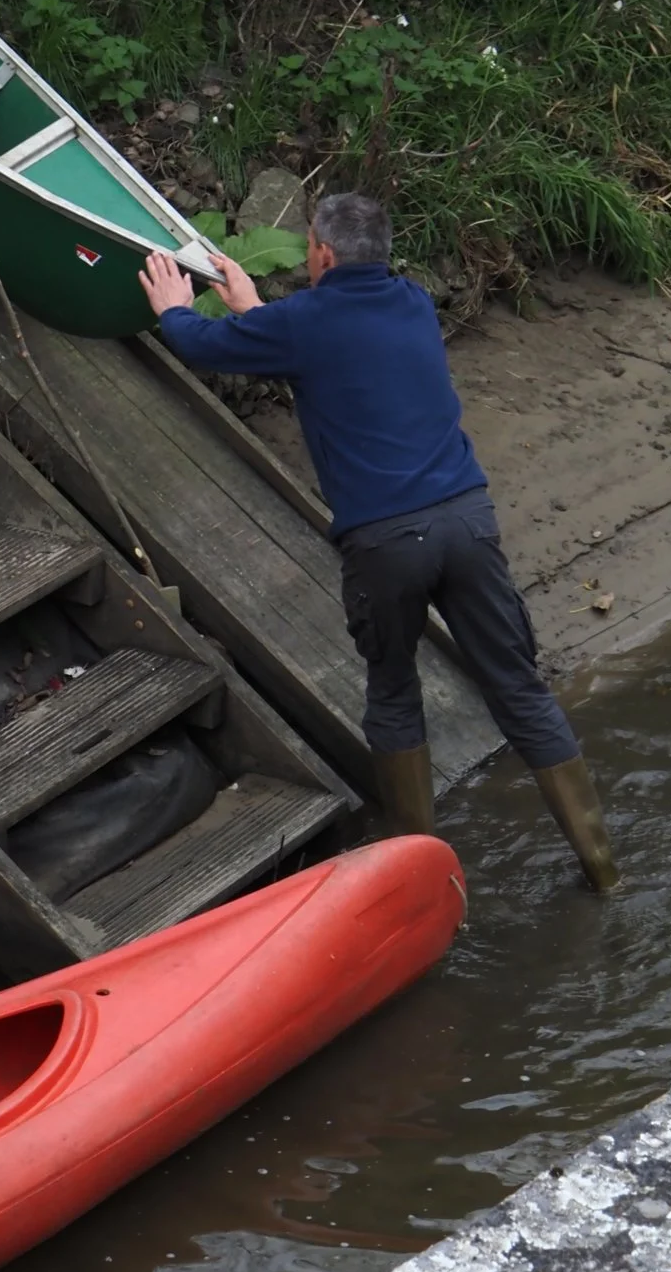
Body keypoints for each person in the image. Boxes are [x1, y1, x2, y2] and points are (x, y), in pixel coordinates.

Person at [138, 192, 618, 889]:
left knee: (394, 694)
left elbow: (201, 345)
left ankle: (426, 884)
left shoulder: (305, 321)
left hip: (388, 540)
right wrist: (253, 306)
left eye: (307, 245)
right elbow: (324, 343)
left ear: (324, 255)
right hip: (467, 519)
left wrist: (173, 306)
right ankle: (603, 868)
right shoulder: (414, 303)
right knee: (519, 690)